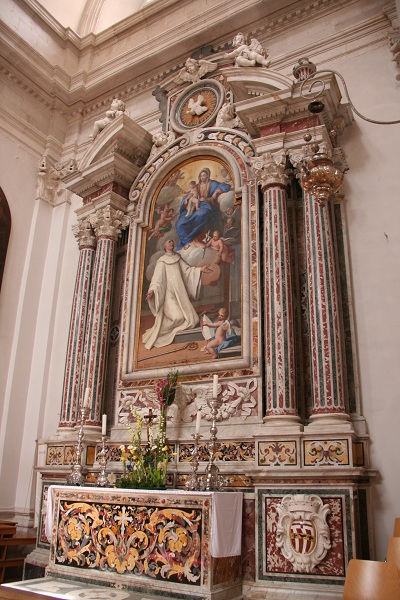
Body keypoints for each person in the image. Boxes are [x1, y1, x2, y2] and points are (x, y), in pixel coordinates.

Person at [142, 239, 211, 350]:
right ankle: (157, 332)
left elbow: (187, 271)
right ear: (164, 246)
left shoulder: (177, 257)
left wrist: (200, 270)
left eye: (172, 241)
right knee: (178, 318)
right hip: (168, 296)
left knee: (193, 320)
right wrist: (152, 291)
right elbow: (157, 280)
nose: (172, 243)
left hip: (180, 293)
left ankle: (162, 330)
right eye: (169, 242)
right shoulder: (162, 261)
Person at [175, 168, 231, 250]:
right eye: (201, 176)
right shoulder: (196, 186)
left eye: (204, 175)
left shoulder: (212, 184)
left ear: (208, 176)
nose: (202, 177)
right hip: (193, 207)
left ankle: (194, 239)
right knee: (180, 223)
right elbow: (189, 194)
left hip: (205, 205)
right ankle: (188, 241)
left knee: (201, 214)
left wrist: (216, 192)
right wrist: (187, 200)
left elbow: (226, 186)